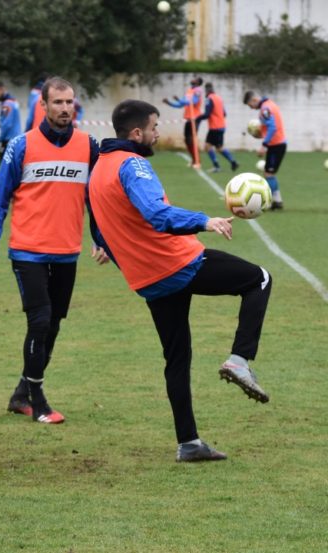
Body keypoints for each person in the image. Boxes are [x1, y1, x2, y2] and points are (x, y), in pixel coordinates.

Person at [87, 99, 272, 462]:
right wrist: (205, 221)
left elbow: (97, 219)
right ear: (137, 133)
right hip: (179, 262)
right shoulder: (133, 164)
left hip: (149, 280)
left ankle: (188, 443)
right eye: (155, 128)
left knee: (176, 357)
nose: (158, 134)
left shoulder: (98, 169)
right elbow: (156, 214)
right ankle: (239, 359)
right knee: (259, 279)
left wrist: (106, 244)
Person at [0, 77, 107, 424]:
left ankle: (21, 393)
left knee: (53, 324)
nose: (65, 108)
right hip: (27, 251)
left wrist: (101, 238)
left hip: (67, 251)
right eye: (58, 103)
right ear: (44, 106)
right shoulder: (21, 145)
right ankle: (37, 400)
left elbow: (95, 199)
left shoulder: (88, 146)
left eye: (70, 102)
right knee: (39, 321)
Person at [244, 90, 286, 210]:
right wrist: (262, 133)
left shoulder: (264, 109)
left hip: (276, 145)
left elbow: (273, 127)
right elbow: (271, 126)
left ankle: (269, 202)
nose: (251, 108)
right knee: (269, 173)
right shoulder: (270, 104)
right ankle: (277, 201)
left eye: (250, 105)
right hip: (278, 144)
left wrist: (264, 145)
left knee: (269, 174)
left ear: (254, 100)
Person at [195, 83, 239, 173]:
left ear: (207, 90)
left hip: (214, 127)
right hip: (221, 126)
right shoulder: (218, 98)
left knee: (207, 146)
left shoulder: (209, 99)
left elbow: (207, 114)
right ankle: (233, 162)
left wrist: (197, 118)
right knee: (219, 147)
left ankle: (217, 166)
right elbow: (224, 113)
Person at [162, 76, 203, 167]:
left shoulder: (198, 90)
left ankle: (197, 161)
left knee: (191, 139)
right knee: (187, 140)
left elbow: (194, 101)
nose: (193, 79)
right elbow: (181, 104)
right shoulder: (189, 91)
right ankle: (193, 160)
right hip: (188, 118)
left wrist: (179, 100)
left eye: (195, 79)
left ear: (198, 82)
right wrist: (169, 103)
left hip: (195, 118)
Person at [0, 81, 22, 159]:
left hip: (9, 141)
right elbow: (12, 121)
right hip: (16, 139)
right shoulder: (13, 101)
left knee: (4, 168)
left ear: (2, 89)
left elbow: (7, 125)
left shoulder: (7, 105)